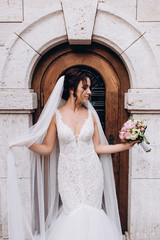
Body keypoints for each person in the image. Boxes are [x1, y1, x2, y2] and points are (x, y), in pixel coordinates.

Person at [7, 67, 139, 240]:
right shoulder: (56, 116)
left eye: (90, 88)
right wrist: (26, 143)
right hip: (68, 174)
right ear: (72, 89)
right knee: (73, 213)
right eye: (85, 88)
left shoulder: (91, 114)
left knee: (93, 212)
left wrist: (125, 146)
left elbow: (98, 147)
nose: (89, 92)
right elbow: (47, 149)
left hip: (92, 172)